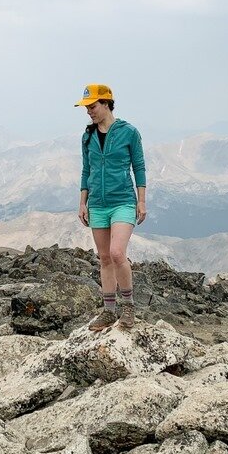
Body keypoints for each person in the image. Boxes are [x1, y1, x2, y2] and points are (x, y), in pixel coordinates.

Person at [75, 83, 147, 330]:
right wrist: (82, 202)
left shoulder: (129, 132)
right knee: (104, 258)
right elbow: (87, 170)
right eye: (86, 108)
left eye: (92, 106)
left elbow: (139, 166)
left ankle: (128, 307)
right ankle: (108, 312)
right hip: (98, 204)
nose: (89, 112)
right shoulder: (88, 136)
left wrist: (142, 201)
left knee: (117, 253)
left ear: (106, 104)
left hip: (123, 201)